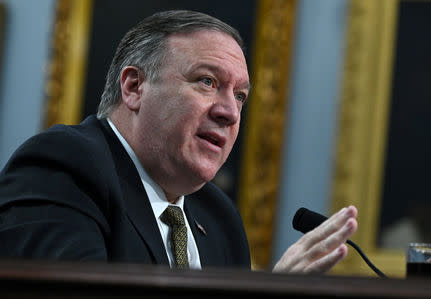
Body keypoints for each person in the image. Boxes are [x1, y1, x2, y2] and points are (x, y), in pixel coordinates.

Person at [0, 10, 357, 273]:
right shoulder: (64, 167)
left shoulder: (219, 220)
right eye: (206, 81)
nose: (230, 112)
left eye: (241, 96)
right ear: (134, 88)